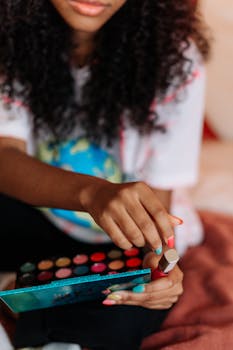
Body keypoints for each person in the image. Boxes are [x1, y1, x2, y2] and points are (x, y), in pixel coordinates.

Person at [0, 0, 209, 349]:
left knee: (120, 317)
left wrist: (161, 269)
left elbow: (157, 213)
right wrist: (92, 194)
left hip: (123, 241)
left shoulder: (175, 59)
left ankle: (19, 299)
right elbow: (5, 155)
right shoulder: (10, 36)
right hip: (41, 212)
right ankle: (28, 299)